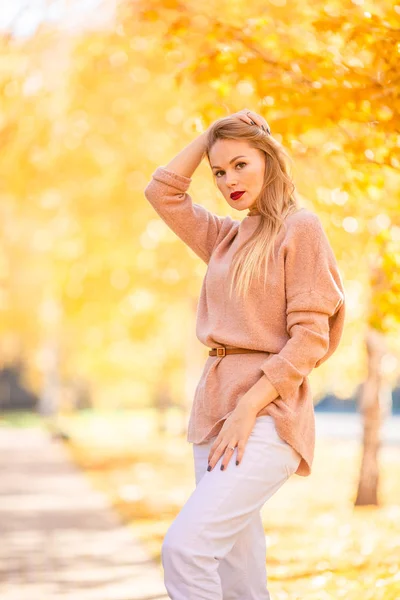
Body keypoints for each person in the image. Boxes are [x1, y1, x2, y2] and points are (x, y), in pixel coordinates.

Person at [144, 108, 346, 600]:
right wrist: (209, 134)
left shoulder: (301, 228)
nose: (227, 180)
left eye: (240, 164)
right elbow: (162, 192)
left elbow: (310, 339)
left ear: (269, 161)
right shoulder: (226, 239)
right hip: (215, 412)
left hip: (265, 416)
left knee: (186, 551)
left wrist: (247, 410)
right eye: (218, 171)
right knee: (240, 580)